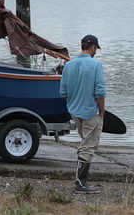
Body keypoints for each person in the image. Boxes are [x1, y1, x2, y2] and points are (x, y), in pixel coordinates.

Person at [60, 35, 106, 194]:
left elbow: (63, 92)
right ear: (93, 47)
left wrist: (74, 104)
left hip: (74, 112)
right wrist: (102, 109)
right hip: (90, 112)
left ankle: (81, 180)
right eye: (96, 49)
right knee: (89, 146)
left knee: (85, 143)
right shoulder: (96, 65)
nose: (96, 52)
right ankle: (81, 183)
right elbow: (100, 92)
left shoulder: (69, 65)